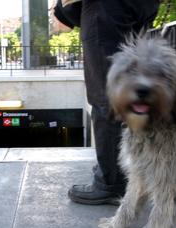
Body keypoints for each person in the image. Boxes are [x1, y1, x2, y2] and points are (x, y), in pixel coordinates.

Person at [56, 0, 161, 205]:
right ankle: (120, 171)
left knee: (105, 97)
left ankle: (111, 183)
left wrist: (62, 8)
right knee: (127, 93)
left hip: (105, 6)